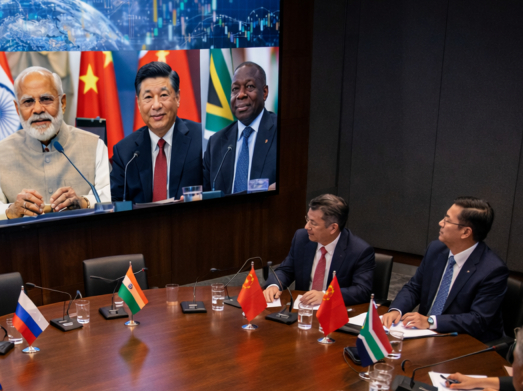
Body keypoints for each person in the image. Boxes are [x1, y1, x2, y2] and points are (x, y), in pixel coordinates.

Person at [0, 66, 110, 222]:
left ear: (63, 102)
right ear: (17, 109)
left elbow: (114, 197)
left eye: (46, 99)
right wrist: (10, 211)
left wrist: (85, 202)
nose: (38, 109)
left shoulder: (94, 146)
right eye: (28, 102)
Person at [381, 197, 508, 342]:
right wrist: (396, 309)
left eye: (447, 220)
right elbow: (414, 287)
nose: (440, 223)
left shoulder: (492, 270)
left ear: (466, 232)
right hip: (422, 335)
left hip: (463, 341)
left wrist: (430, 322)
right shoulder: (435, 249)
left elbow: (477, 319)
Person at [109, 61, 203, 204]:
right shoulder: (125, 153)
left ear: (177, 98)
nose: (157, 105)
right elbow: (115, 202)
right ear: (139, 104)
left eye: (164, 95)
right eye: (148, 97)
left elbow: (216, 189)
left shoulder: (202, 139)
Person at [262, 194, 375, 307]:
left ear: (333, 228)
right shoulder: (302, 238)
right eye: (307, 219)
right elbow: (286, 270)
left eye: (313, 223)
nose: (307, 227)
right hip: (302, 309)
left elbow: (362, 290)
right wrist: (274, 285)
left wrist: (326, 296)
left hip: (334, 312)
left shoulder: (359, 251)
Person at [203, 62, 278, 195]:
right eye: (235, 89)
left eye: (249, 87)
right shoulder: (215, 143)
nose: (241, 95)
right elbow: (205, 194)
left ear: (264, 92)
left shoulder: (280, 131)